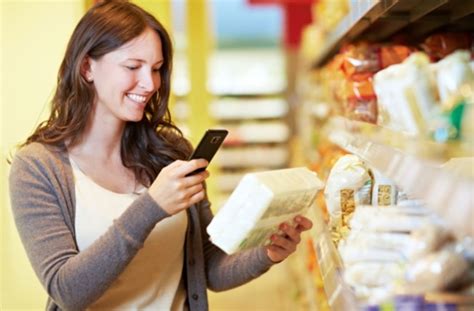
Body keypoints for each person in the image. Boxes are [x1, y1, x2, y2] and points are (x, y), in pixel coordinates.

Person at [9, 1, 313, 310]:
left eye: (156, 69)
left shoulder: (169, 154)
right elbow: (67, 291)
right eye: (132, 67)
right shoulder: (37, 168)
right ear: (87, 67)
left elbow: (209, 267)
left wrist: (267, 254)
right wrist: (152, 206)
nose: (150, 83)